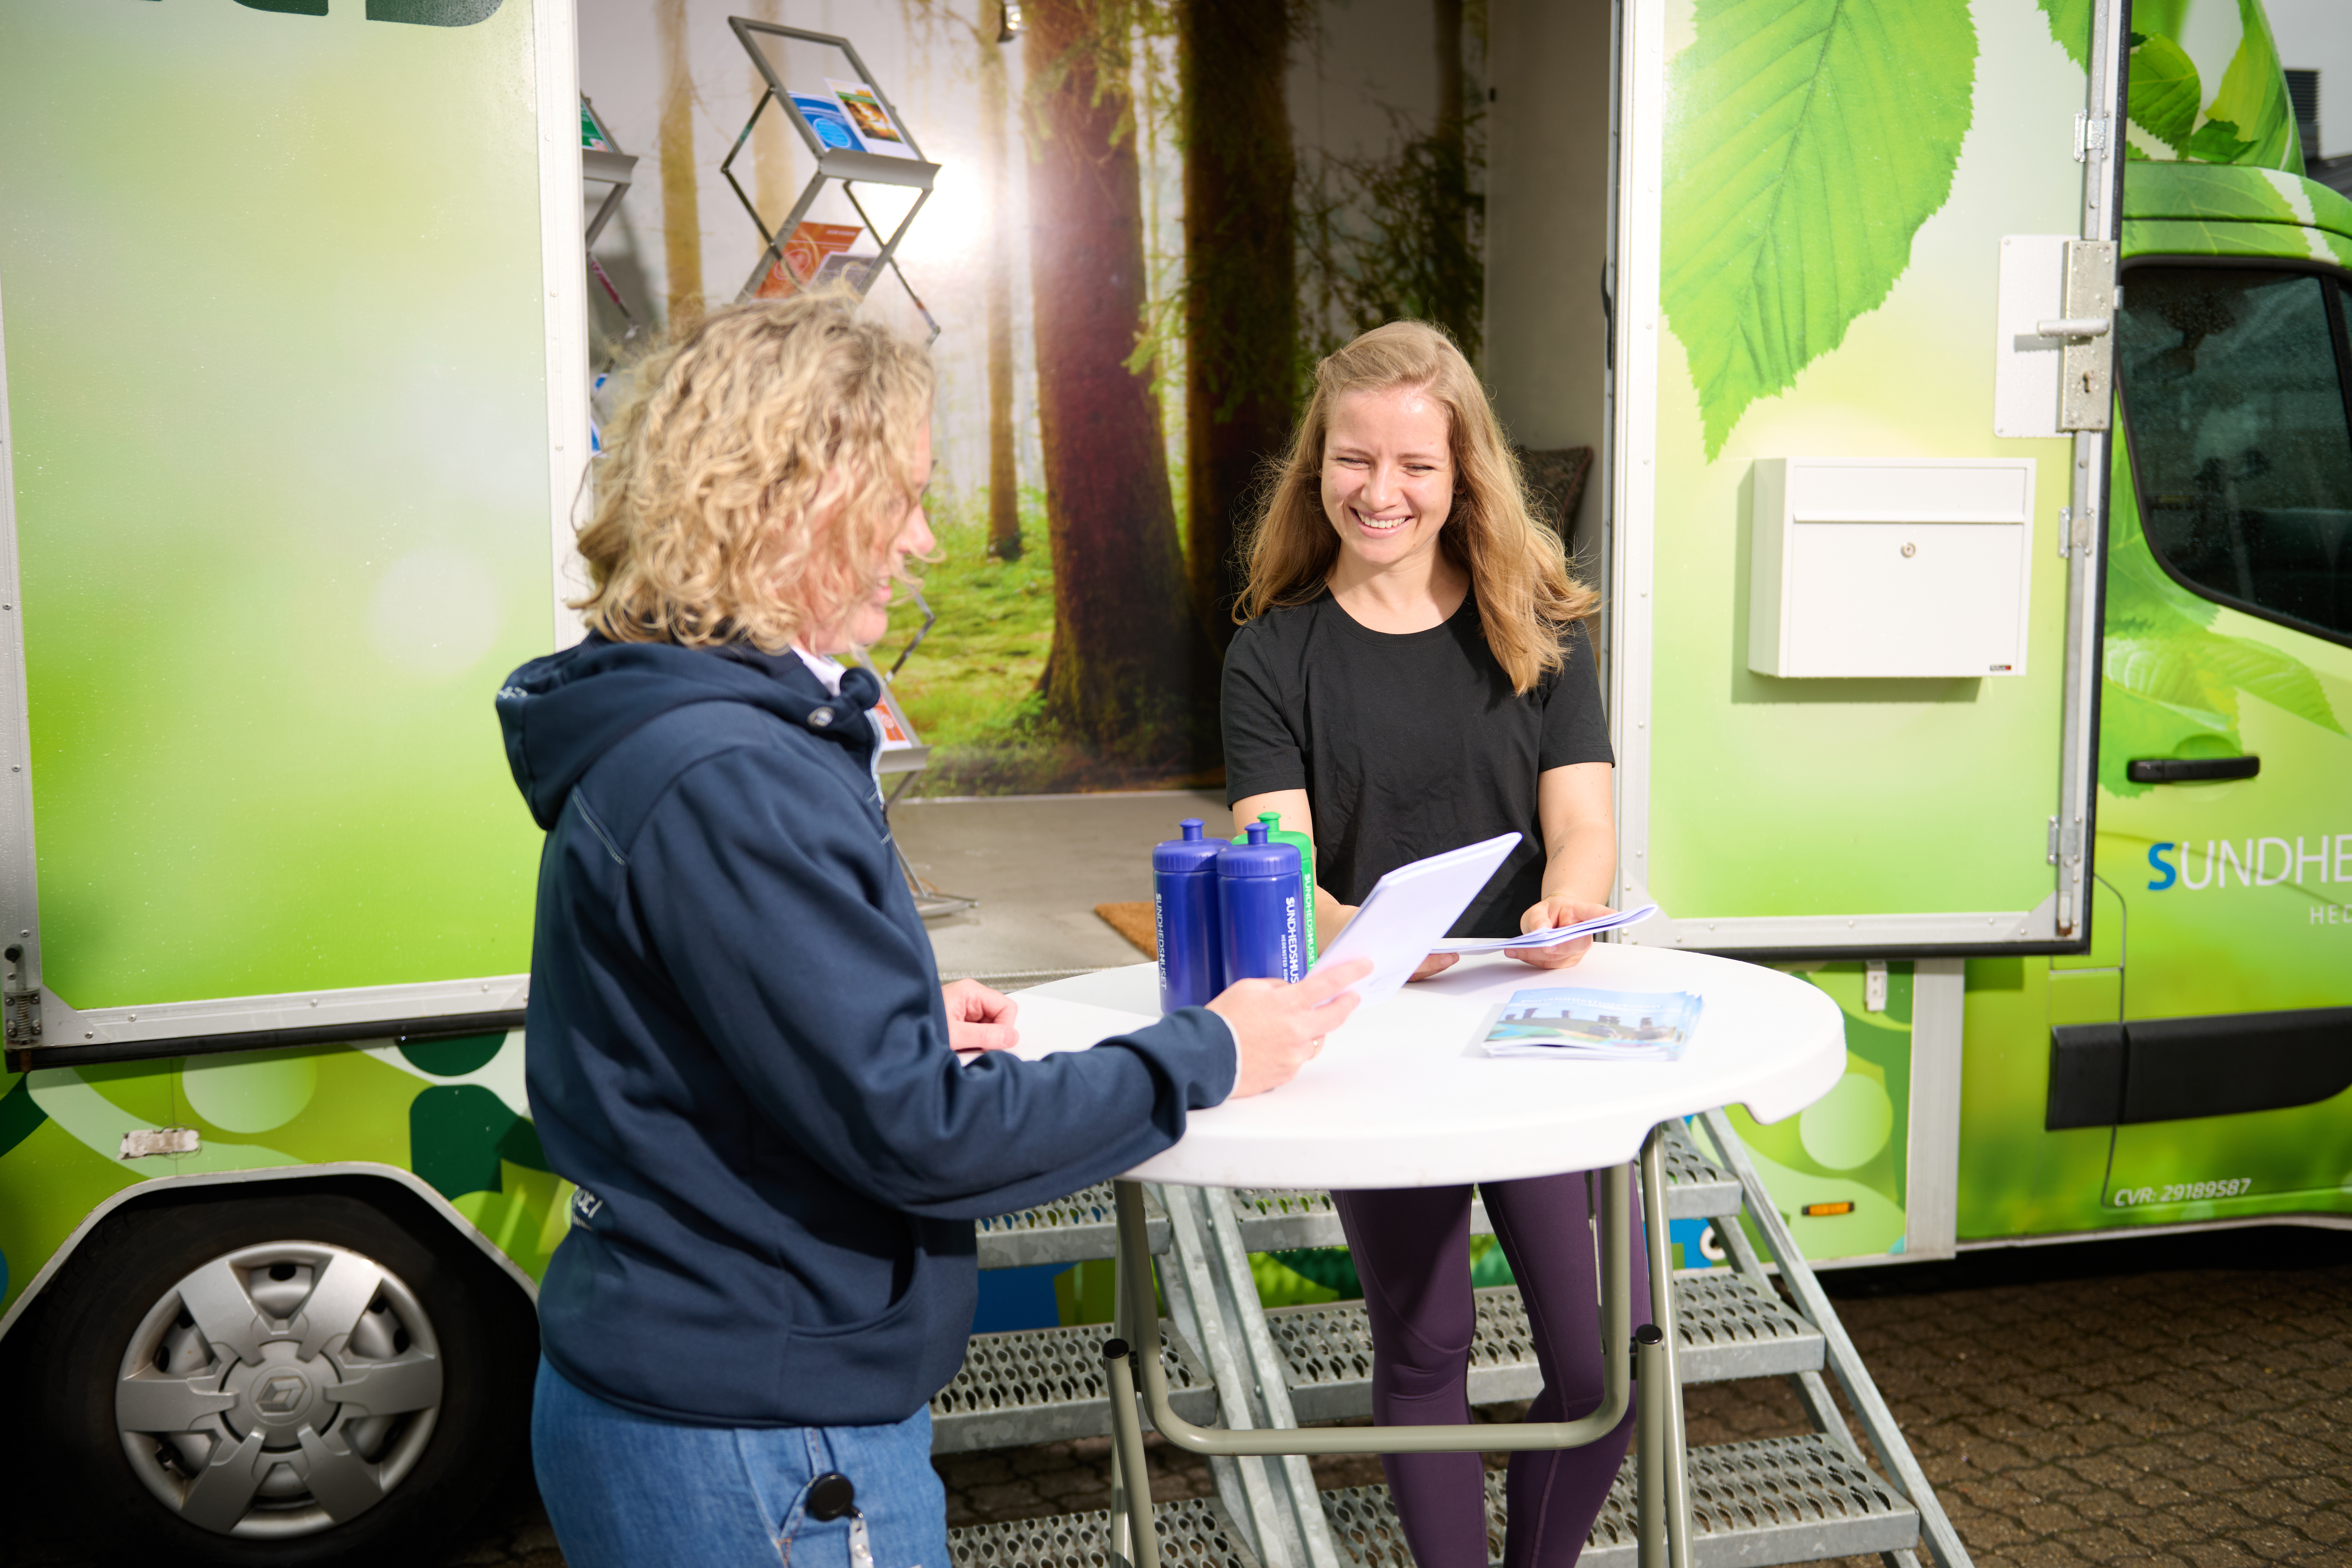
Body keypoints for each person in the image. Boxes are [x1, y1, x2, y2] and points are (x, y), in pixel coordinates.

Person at [495, 294, 1369, 1568]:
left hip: (736, 1408)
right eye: (900, 497)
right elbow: (923, 1137)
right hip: (767, 1444)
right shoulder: (729, 774)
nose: (923, 541)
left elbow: (727, 1033)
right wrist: (1210, 1052)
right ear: (794, 501)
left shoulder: (692, 732)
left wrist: (892, 1003)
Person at [1220, 319, 1649, 1567]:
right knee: (1424, 1346)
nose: (1381, 491)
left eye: (1415, 465)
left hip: (1538, 1029)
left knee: (1595, 1360)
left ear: (1465, 474)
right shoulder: (1273, 655)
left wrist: (1567, 903)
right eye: (1355, 460)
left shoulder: (1540, 627)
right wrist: (1380, 936)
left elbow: (1583, 826)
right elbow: (1288, 873)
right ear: (1319, 469)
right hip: (1381, 1037)